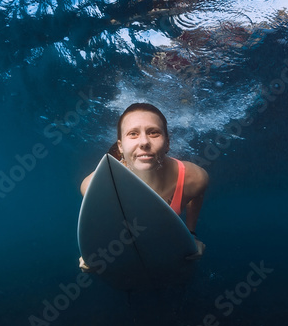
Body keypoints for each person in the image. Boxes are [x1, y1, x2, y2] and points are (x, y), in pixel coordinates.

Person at [79, 102, 208, 272]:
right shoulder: (93, 186)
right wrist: (93, 250)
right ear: (120, 147)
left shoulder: (195, 178)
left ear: (167, 143)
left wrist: (192, 234)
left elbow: (196, 195)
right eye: (133, 134)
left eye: (154, 133)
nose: (144, 142)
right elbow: (104, 222)